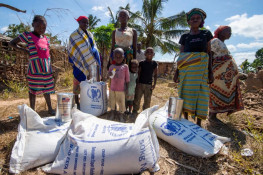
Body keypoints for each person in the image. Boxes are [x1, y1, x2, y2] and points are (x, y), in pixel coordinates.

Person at [173, 8, 214, 126]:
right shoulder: (184, 36)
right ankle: (186, 120)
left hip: (201, 71)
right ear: (188, 21)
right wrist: (177, 72)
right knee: (185, 93)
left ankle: (198, 123)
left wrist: (210, 71)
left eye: (197, 18)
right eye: (192, 18)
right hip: (186, 72)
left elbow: (209, 53)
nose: (195, 20)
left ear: (201, 20)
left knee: (202, 94)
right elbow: (181, 56)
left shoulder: (206, 34)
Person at [9, 15, 55, 115]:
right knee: (33, 89)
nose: (41, 29)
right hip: (34, 68)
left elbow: (47, 53)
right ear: (33, 24)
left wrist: (51, 66)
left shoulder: (46, 39)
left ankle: (50, 109)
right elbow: (12, 43)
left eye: (43, 27)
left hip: (46, 68)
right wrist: (25, 51)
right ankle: (33, 111)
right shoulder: (28, 35)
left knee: (46, 88)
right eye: (38, 26)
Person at [209, 26, 244, 122]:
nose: (230, 33)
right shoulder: (215, 41)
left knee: (222, 92)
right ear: (220, 32)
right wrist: (210, 71)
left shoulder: (222, 43)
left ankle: (214, 115)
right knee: (217, 92)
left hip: (225, 77)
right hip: (218, 74)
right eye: (227, 31)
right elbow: (211, 56)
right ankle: (212, 116)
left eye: (231, 31)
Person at [68, 16, 101, 109]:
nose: (85, 24)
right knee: (77, 81)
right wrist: (73, 62)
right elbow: (71, 50)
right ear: (79, 22)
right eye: (83, 22)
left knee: (89, 83)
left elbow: (94, 47)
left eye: (87, 23)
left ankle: (87, 101)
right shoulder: (74, 35)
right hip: (78, 63)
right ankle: (77, 103)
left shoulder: (90, 34)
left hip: (90, 62)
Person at [133, 47, 158, 115]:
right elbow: (138, 73)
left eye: (151, 52)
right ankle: (135, 111)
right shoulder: (141, 63)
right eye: (148, 52)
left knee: (147, 100)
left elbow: (155, 75)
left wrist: (154, 84)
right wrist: (137, 83)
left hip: (149, 85)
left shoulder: (154, 64)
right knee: (137, 99)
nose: (149, 53)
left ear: (153, 54)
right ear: (145, 54)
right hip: (140, 84)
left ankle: (145, 113)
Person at [108, 48, 130, 122]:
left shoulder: (125, 67)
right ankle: (112, 113)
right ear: (113, 57)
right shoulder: (111, 67)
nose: (118, 58)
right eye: (116, 57)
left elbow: (127, 79)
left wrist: (127, 89)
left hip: (121, 89)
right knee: (112, 102)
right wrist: (109, 74)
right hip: (113, 88)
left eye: (120, 56)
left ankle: (121, 115)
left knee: (121, 103)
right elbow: (110, 77)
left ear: (123, 57)